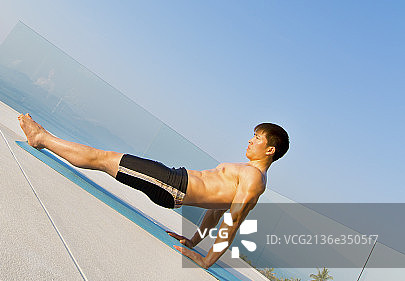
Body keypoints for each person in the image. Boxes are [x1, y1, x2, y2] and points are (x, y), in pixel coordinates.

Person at [17, 114, 289, 269]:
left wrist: (207, 260)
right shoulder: (248, 172)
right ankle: (43, 138)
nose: (250, 140)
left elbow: (233, 221)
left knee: (106, 159)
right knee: (109, 159)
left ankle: (41, 138)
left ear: (270, 150)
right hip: (173, 180)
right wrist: (194, 241)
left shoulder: (254, 178)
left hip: (173, 186)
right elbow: (216, 210)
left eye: (257, 138)